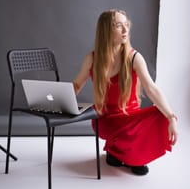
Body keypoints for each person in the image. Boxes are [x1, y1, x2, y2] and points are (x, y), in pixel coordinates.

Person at [73, 9, 178, 175]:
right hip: (105, 121)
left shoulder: (134, 57)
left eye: (126, 25)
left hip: (129, 119)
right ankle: (117, 150)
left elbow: (152, 89)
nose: (125, 30)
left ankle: (121, 152)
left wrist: (171, 117)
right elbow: (76, 85)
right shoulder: (92, 58)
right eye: (118, 26)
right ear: (107, 30)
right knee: (126, 149)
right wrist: (60, 102)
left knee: (161, 114)